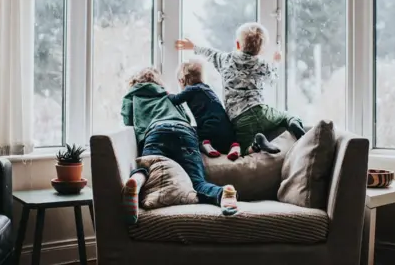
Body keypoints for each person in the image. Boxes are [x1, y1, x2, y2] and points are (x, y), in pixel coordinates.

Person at [121, 67, 238, 224]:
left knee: (148, 171)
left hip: (156, 132)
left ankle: (136, 181)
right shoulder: (167, 95)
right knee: (197, 182)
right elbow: (185, 117)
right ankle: (222, 193)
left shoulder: (132, 96)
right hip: (184, 131)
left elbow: (128, 121)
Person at [175, 22, 306, 156]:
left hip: (239, 120)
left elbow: (211, 53)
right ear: (261, 50)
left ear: (238, 44)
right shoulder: (261, 64)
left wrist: (194, 47)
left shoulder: (226, 59)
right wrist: (276, 62)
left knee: (242, 151)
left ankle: (256, 142)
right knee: (287, 116)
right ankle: (296, 127)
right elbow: (273, 79)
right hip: (260, 111)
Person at [168, 60, 277, 161]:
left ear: (182, 80)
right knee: (232, 147)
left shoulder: (190, 89)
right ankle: (241, 147)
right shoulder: (207, 88)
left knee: (190, 133)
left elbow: (175, 100)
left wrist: (165, 93)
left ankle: (205, 144)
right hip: (227, 130)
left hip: (208, 128)